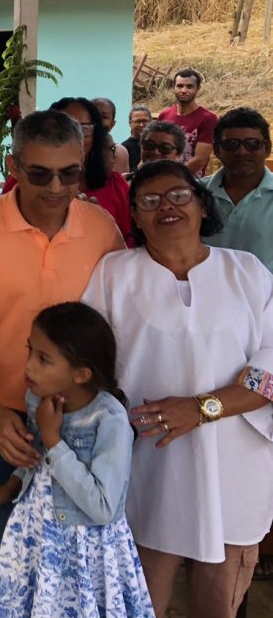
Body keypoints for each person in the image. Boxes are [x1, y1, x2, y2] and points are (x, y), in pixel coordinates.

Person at [0, 109, 124, 613]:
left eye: (70, 172)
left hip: (79, 424)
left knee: (69, 556)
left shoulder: (101, 228)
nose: (57, 187)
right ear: (13, 166)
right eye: (40, 173)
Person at [82, 159, 273, 617]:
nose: (166, 206)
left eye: (179, 195)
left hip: (233, 462)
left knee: (220, 600)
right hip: (148, 463)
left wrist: (201, 407)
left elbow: (271, 365)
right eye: (149, 201)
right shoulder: (113, 274)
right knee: (138, 600)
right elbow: (87, 363)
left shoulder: (245, 271)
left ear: (203, 206)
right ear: (135, 216)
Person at [0, 302, 153, 617]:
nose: (28, 367)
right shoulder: (38, 400)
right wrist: (6, 489)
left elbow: (103, 507)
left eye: (43, 360)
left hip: (83, 553)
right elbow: (36, 464)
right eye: (30, 351)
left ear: (81, 374)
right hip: (36, 541)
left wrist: (53, 439)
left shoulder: (108, 419)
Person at [4, 98, 133, 242]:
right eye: (39, 175)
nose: (74, 136)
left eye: (84, 128)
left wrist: (94, 219)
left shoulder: (115, 186)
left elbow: (129, 243)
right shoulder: (20, 180)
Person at [203, 108, 273, 271]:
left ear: (267, 148)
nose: (242, 152)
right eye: (231, 144)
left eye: (253, 144)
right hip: (204, 293)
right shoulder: (195, 194)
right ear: (217, 150)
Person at [158, 68, 217, 176]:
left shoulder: (208, 118)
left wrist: (172, 177)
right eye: (179, 86)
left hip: (190, 183)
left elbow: (200, 159)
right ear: (173, 88)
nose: (184, 90)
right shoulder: (164, 115)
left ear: (198, 88)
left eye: (189, 86)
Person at [92, 97, 131, 173]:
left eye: (104, 117)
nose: (97, 120)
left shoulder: (120, 153)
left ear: (112, 124)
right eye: (93, 115)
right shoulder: (75, 151)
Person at [121, 104, 152, 173]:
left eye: (145, 121)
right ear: (130, 123)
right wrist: (139, 167)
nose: (141, 125)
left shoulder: (157, 146)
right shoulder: (123, 148)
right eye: (138, 121)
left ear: (151, 122)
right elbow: (122, 177)